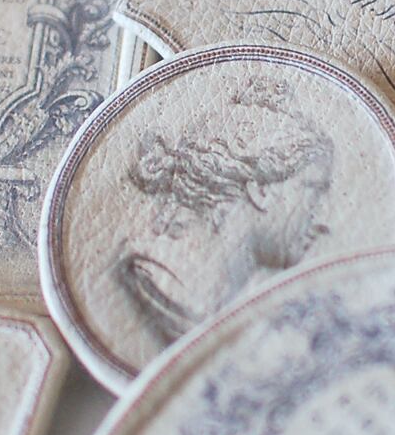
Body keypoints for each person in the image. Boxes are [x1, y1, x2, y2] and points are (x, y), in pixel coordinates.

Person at [115, 77, 334, 345]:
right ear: (261, 192)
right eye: (313, 191)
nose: (322, 218)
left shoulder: (217, 305)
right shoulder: (165, 288)